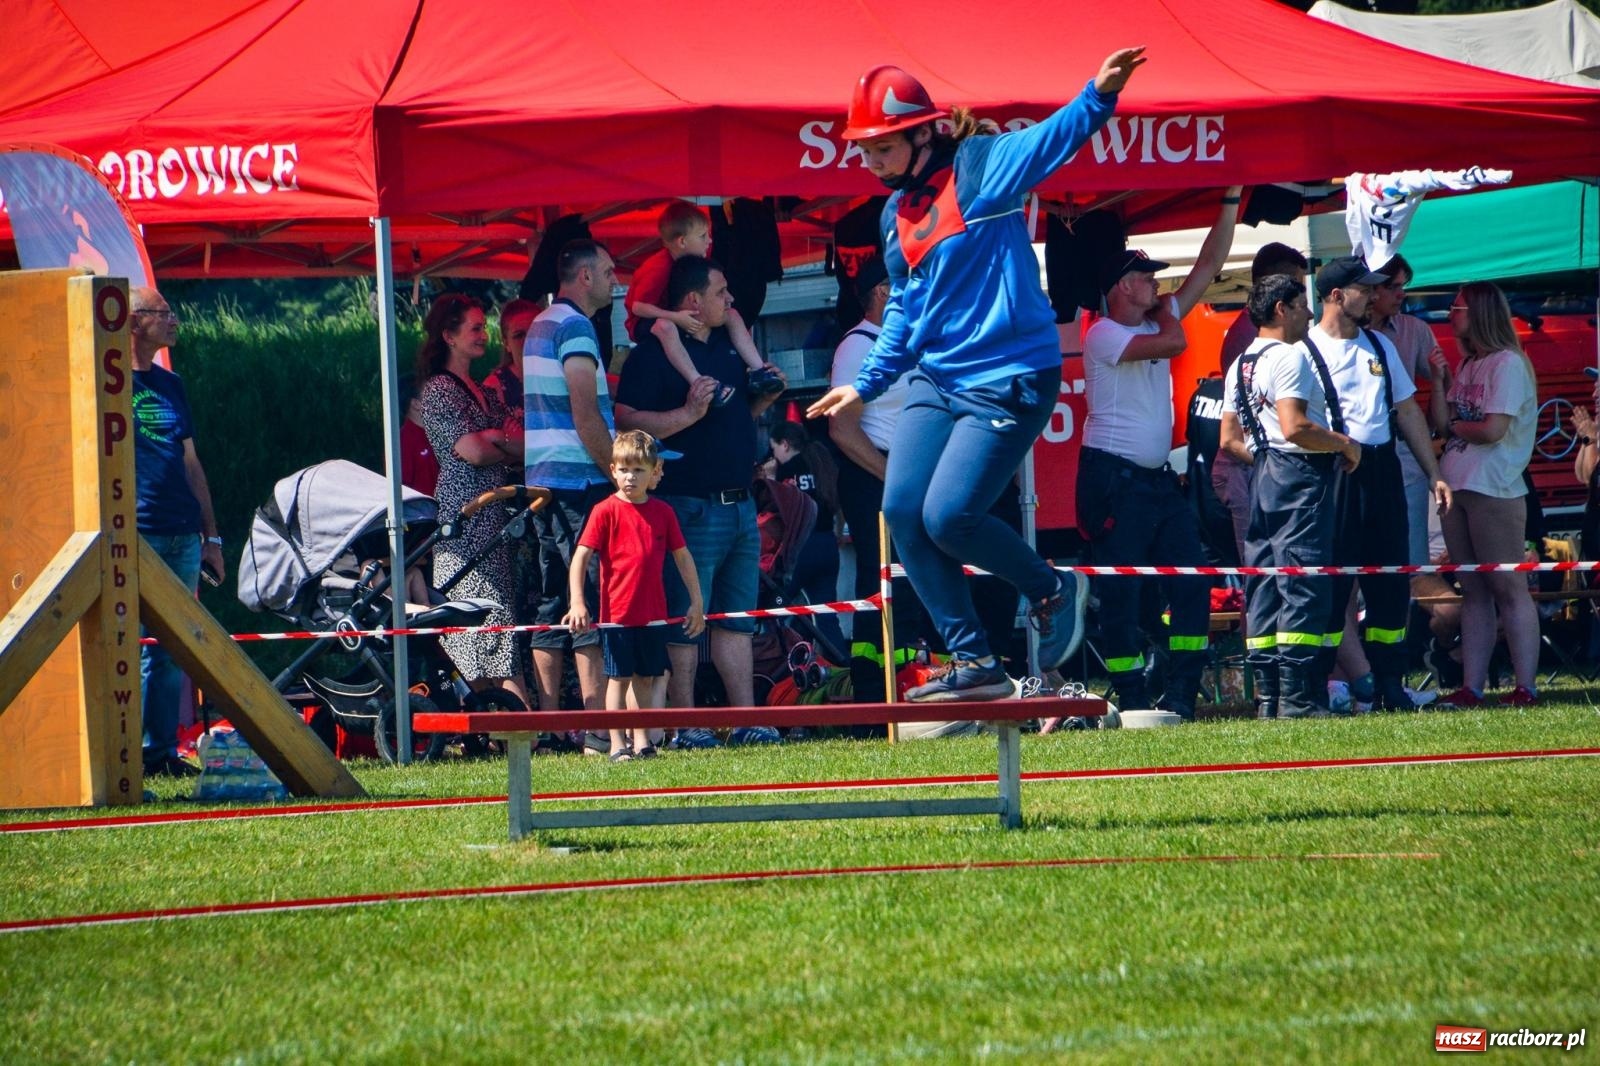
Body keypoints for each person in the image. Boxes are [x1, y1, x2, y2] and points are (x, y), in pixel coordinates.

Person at [806, 53, 1146, 701]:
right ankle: (974, 663)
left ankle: (1053, 587)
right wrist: (868, 383)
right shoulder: (893, 215)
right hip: (936, 378)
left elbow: (1053, 139)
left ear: (923, 134)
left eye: (880, 147)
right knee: (903, 510)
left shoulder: (982, 167)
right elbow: (903, 307)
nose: (868, 161)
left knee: (950, 514)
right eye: (863, 149)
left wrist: (1098, 94)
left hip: (1009, 372)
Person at [1077, 191, 1243, 719]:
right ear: (1124, 287)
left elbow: (1210, 264)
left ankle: (1181, 694)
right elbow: (1174, 344)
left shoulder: (1151, 321)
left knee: (1193, 581)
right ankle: (1129, 696)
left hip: (1153, 482)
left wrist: (1231, 201)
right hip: (1114, 479)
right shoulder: (1103, 332)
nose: (1158, 285)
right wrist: (1171, 313)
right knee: (1122, 595)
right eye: (1148, 278)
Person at [615, 255, 787, 725]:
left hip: (741, 506)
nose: (729, 300)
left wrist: (763, 397)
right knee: (685, 623)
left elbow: (731, 418)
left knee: (736, 621)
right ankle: (686, 724)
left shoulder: (730, 345)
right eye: (720, 293)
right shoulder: (652, 353)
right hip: (688, 506)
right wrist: (685, 416)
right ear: (693, 299)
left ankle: (747, 723)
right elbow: (624, 419)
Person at [1302, 255, 1451, 712]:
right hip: (1335, 473)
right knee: (1335, 585)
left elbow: (1406, 409)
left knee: (1389, 580)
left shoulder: (1379, 345)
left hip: (1383, 468)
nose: (1371, 296)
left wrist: (1434, 473)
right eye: (1363, 290)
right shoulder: (1303, 351)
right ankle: (1322, 685)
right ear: (1334, 296)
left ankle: (1390, 682)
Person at [1220, 275, 1361, 719]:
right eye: (1302, 305)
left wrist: (1266, 459)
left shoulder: (1239, 362)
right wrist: (1343, 443)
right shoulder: (1289, 356)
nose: (1310, 313)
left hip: (1261, 474)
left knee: (1263, 582)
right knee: (1301, 582)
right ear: (1282, 309)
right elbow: (1296, 426)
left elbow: (1228, 439)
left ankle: (1269, 699)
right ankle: (1298, 700)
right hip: (1298, 473)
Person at [1428, 282, 1540, 706]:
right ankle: (1471, 687)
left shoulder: (1508, 364)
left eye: (1455, 308)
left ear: (1478, 313)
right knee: (1472, 588)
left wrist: (1455, 428)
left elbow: (1492, 430)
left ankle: (1525, 685)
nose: (1449, 314)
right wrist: (1440, 382)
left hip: (1495, 487)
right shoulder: (1471, 363)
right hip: (1457, 485)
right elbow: (1442, 422)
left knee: (1508, 587)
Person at [520, 241, 619, 715]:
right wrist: (619, 476)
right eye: (607, 271)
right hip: (578, 482)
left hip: (543, 480)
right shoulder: (576, 326)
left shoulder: (541, 323)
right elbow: (586, 415)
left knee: (551, 600)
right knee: (593, 599)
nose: (614, 280)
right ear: (584, 277)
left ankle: (552, 723)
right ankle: (598, 725)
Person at [564, 431, 705, 761]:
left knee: (647, 677)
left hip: (653, 614)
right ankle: (617, 744)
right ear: (613, 470)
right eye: (625, 469)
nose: (631, 477)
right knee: (618, 679)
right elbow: (581, 557)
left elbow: (683, 558)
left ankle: (643, 741)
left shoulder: (663, 512)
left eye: (639, 470)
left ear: (655, 471)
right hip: (617, 616)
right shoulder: (604, 511)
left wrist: (697, 601)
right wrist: (578, 601)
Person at [416, 293, 527, 705]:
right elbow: (476, 451)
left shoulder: (484, 390)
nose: (484, 336)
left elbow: (514, 441)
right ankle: (508, 724)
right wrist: (499, 442)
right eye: (475, 328)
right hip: (464, 518)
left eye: (485, 327)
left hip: (493, 515)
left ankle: (499, 722)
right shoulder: (439, 390)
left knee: (495, 620)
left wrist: (496, 441)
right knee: (477, 621)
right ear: (448, 335)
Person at [130, 287, 222, 778]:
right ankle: (132, 755)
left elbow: (191, 463)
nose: (174, 320)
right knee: (137, 645)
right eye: (162, 313)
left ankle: (159, 753)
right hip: (136, 532)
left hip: (183, 533)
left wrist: (213, 538)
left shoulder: (172, 384)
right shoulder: (107, 386)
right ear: (131, 322)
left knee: (171, 648)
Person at [625, 201, 782, 408]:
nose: (709, 241)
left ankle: (759, 370)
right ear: (682, 241)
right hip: (647, 321)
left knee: (732, 314)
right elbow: (638, 307)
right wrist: (676, 317)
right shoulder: (658, 267)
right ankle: (699, 382)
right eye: (702, 236)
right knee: (665, 327)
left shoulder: (693, 260)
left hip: (674, 313)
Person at [1213, 243, 1310, 559]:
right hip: (1250, 468)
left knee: (1271, 577)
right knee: (1264, 581)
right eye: (1296, 288)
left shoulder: (1259, 335)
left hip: (1259, 465)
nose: (1306, 308)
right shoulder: (1251, 338)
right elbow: (1261, 424)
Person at [1370, 254, 1442, 567]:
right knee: (1360, 562)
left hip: (1404, 451)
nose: (1402, 294)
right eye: (1393, 287)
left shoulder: (1415, 329)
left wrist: (1433, 470)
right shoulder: (1336, 335)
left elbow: (1444, 385)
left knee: (1411, 561)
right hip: (1356, 454)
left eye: (1403, 286)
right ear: (1371, 289)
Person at [767, 420, 846, 652]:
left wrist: (770, 478)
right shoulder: (822, 465)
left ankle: (779, 666)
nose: (774, 456)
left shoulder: (786, 470)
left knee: (774, 609)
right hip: (827, 544)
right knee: (827, 616)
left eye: (774, 449)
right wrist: (839, 531)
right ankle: (840, 668)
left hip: (800, 549)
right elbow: (837, 503)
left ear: (785, 444)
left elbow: (774, 508)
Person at [398, 374, 439, 498]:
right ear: (415, 404)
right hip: (424, 513)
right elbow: (402, 487)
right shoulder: (402, 441)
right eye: (431, 395)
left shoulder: (438, 433)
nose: (439, 399)